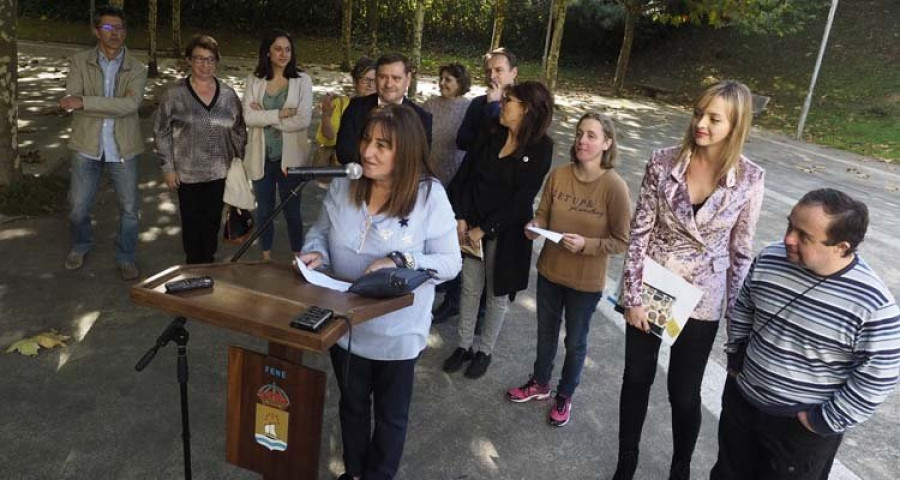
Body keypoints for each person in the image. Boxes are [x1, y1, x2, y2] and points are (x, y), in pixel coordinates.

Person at [297, 104, 460, 480]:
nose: (368, 152)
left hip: (397, 331)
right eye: (367, 141)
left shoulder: (429, 196)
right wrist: (316, 253)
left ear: (406, 151)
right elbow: (320, 230)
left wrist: (401, 259)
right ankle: (354, 472)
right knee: (352, 405)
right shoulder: (344, 182)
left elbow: (450, 263)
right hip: (344, 324)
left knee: (390, 416)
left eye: (382, 145)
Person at [613, 80, 765, 480]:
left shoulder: (749, 178)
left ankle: (680, 469)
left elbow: (741, 254)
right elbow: (639, 232)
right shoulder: (663, 162)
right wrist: (632, 297)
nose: (701, 123)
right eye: (699, 113)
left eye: (715, 118)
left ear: (736, 126)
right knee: (637, 378)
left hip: (703, 298)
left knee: (683, 393)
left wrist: (738, 327)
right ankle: (625, 461)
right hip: (655, 287)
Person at [711, 189, 900, 480]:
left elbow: (879, 376)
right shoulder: (770, 258)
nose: (788, 239)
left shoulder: (873, 305)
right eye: (790, 226)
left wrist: (823, 421)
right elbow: (745, 307)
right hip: (742, 403)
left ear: (842, 247)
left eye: (804, 236)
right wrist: (735, 359)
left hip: (800, 430)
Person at [506, 113, 632, 427]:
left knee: (575, 341)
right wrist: (536, 227)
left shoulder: (614, 187)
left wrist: (587, 244)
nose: (582, 141)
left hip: (585, 282)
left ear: (607, 143)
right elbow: (544, 214)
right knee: (545, 334)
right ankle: (540, 383)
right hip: (550, 271)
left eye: (591, 135)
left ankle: (565, 395)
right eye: (579, 134)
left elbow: (621, 240)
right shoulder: (559, 175)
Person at [443, 81, 555, 379]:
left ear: (526, 108)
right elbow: (465, 174)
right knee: (469, 287)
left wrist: (485, 228)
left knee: (496, 293)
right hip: (471, 225)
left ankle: (484, 351)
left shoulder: (542, 148)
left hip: (506, 232)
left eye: (509, 101)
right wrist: (461, 216)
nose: (502, 104)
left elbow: (522, 198)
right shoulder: (492, 129)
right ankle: (464, 345)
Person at [59, 5, 146, 280]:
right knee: (77, 208)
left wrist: (85, 101)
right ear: (96, 31)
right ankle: (81, 244)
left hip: (123, 147)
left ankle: (126, 256)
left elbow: (130, 105)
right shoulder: (79, 61)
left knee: (130, 209)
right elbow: (69, 98)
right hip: (87, 145)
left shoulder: (137, 67)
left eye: (119, 28)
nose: (115, 33)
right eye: (108, 28)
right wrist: (107, 104)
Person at [433, 48, 518, 324]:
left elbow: (501, 146)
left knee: (491, 260)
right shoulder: (478, 104)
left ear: (513, 74)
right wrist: (489, 109)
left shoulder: (523, 109)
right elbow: (464, 141)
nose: (492, 76)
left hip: (500, 196)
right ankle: (454, 301)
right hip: (471, 188)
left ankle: (483, 311)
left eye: (499, 70)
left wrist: (495, 109)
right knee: (461, 247)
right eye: (489, 70)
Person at [154, 35, 247, 264]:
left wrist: (239, 162)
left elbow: (239, 129)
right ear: (189, 60)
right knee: (192, 225)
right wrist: (168, 166)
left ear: (216, 62)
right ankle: (194, 268)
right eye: (199, 59)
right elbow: (162, 131)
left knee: (212, 223)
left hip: (219, 172)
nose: (205, 65)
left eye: (210, 60)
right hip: (187, 173)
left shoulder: (228, 95)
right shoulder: (174, 94)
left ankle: (207, 265)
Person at [242, 29, 313, 260]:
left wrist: (268, 118)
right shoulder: (254, 80)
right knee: (264, 211)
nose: (284, 54)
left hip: (290, 159)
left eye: (288, 49)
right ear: (268, 52)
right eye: (278, 48)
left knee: (292, 210)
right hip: (262, 156)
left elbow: (303, 120)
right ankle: (266, 258)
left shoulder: (302, 81)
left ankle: (298, 258)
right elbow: (249, 118)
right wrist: (281, 113)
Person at [335, 52, 433, 166]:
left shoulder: (421, 118)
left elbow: (419, 161)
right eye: (383, 77)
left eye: (396, 78)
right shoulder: (356, 107)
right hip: (360, 180)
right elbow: (344, 153)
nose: (388, 84)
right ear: (376, 78)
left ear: (408, 79)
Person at [313, 57, 377, 178]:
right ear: (355, 82)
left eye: (374, 80)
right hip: (345, 170)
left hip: (373, 169)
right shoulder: (341, 104)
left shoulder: (383, 107)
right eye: (365, 80)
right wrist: (326, 116)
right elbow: (329, 137)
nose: (370, 85)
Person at [422, 63, 471, 186]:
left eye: (448, 80)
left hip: (457, 175)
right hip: (429, 172)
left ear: (460, 83)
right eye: (441, 78)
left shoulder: (470, 108)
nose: (441, 83)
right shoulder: (429, 105)